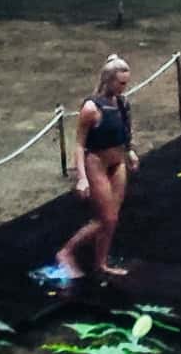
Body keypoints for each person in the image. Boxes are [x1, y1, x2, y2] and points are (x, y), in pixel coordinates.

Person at [48, 55, 136, 282]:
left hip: (118, 162)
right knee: (106, 218)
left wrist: (130, 151)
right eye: (121, 82)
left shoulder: (122, 103)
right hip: (97, 162)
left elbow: (125, 132)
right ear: (109, 80)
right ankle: (66, 252)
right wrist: (82, 178)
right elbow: (79, 144)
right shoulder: (91, 109)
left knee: (112, 218)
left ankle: (101, 262)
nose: (125, 87)